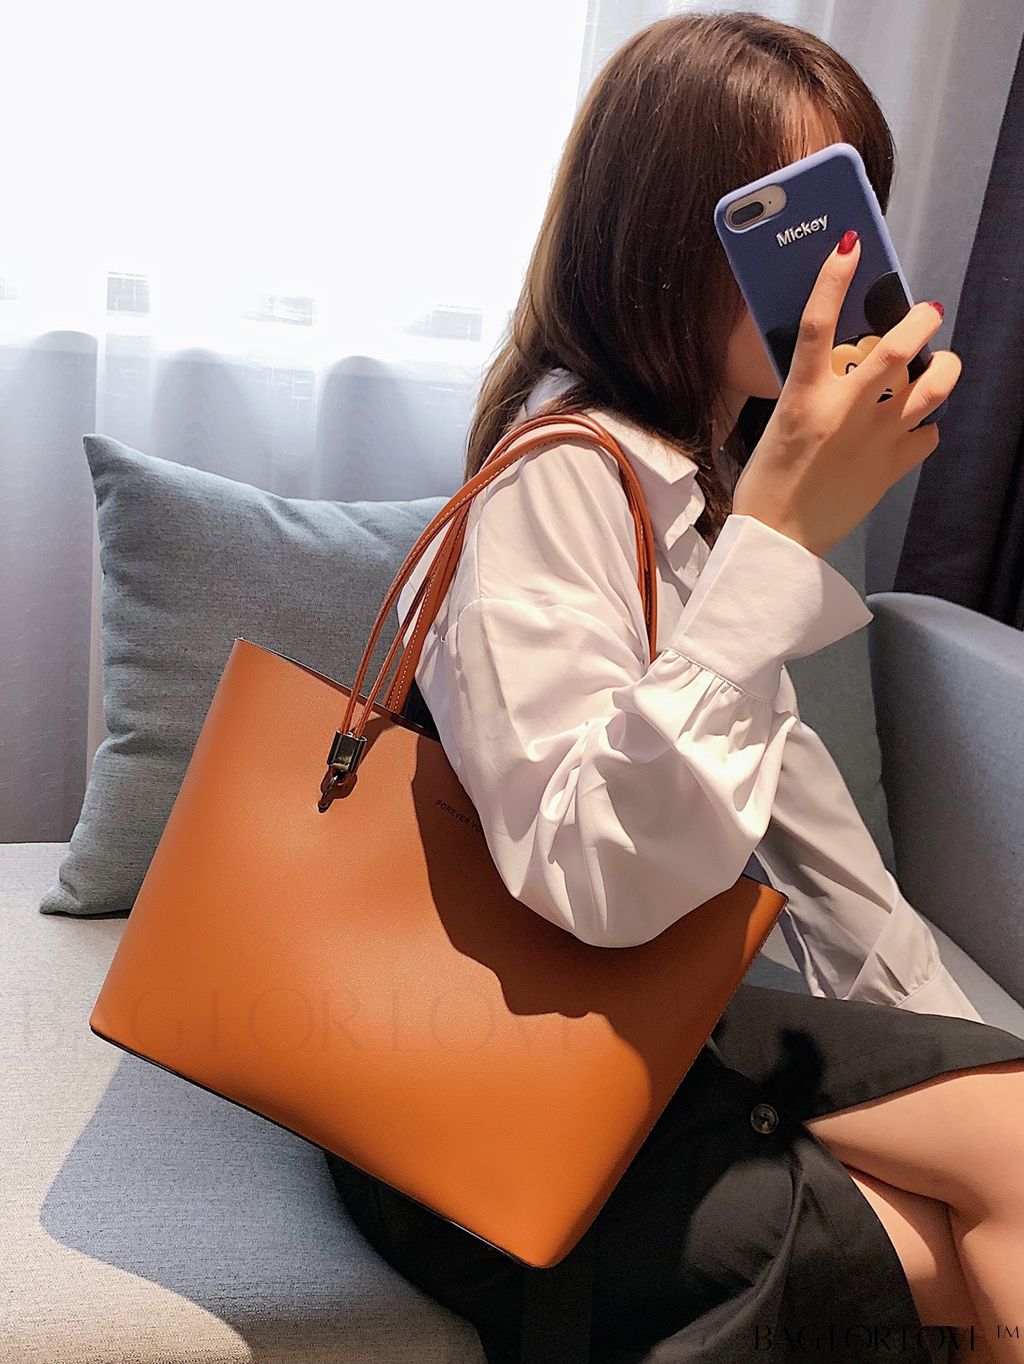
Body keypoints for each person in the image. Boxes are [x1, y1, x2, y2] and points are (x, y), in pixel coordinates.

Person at [325, 11, 1024, 1363]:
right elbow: (596, 886)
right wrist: (778, 545)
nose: (829, 277)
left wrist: (953, 1038)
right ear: (656, 232)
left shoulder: (688, 493)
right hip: (495, 1081)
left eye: (849, 217)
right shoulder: (561, 475)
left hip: (626, 1024)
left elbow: (805, 836)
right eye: (784, 230)